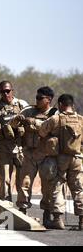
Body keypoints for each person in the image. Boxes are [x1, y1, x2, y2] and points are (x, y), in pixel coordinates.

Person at [11, 86, 58, 226]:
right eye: (36, 97)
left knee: (47, 186)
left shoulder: (55, 113)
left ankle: (47, 214)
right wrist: (17, 119)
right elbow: (12, 124)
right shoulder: (28, 110)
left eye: (40, 98)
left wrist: (33, 123)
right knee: (24, 183)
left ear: (48, 100)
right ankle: (22, 211)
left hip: (46, 155)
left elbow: (51, 127)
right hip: (29, 153)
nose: (36, 100)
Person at [38, 94, 83, 230]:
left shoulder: (55, 119)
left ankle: (57, 219)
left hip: (60, 158)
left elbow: (41, 132)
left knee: (57, 186)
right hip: (77, 158)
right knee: (78, 188)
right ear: (72, 105)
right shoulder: (81, 120)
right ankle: (82, 221)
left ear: (60, 105)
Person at [0, 81, 29, 201]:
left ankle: (23, 210)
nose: (5, 94)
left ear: (12, 90)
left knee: (23, 182)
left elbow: (31, 126)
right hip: (4, 150)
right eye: (2, 91)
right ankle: (6, 212)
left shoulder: (22, 105)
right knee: (5, 181)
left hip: (21, 149)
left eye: (8, 91)